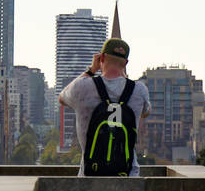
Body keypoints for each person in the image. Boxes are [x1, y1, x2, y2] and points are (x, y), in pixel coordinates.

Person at [58, 37, 152, 176]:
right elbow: (146, 112)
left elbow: (62, 98)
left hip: (90, 175)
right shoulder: (139, 90)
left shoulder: (82, 87)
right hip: (128, 177)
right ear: (126, 63)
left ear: (101, 57)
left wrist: (92, 70)